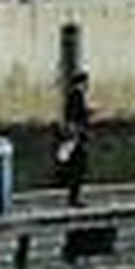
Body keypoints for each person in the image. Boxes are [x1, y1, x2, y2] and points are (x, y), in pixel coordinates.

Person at [57, 69, 92, 207]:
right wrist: (77, 134)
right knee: (78, 167)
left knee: (76, 167)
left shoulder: (73, 96)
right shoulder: (76, 96)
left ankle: (74, 196)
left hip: (75, 136)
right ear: (82, 83)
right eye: (86, 83)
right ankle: (74, 198)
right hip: (76, 137)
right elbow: (74, 117)